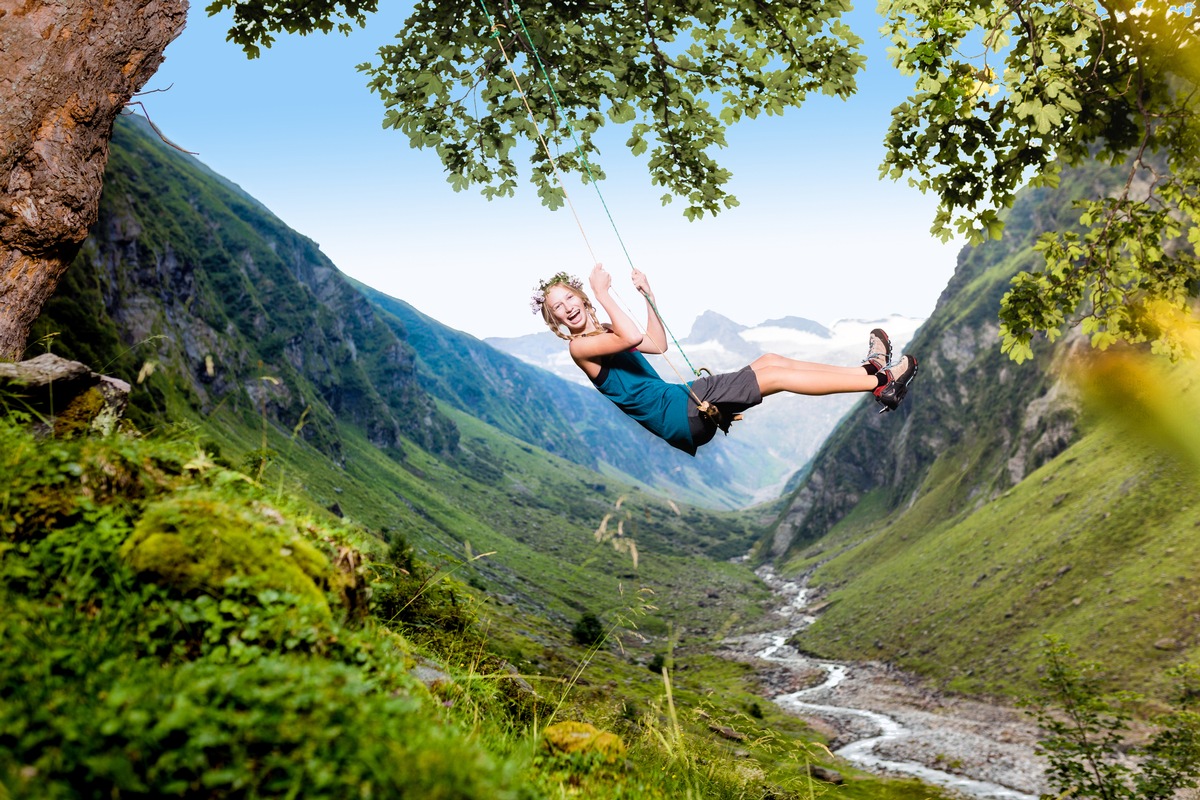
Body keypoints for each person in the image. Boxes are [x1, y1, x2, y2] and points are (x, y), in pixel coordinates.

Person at [531, 264, 918, 456]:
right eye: (557, 307)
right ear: (555, 320)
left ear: (578, 301)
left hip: (681, 408)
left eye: (570, 299)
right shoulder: (580, 348)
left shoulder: (601, 335)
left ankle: (871, 372)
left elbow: (656, 343)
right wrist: (604, 292)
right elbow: (632, 336)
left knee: (771, 363)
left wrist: (648, 296)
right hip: (679, 410)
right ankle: (879, 381)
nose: (567, 308)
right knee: (773, 375)